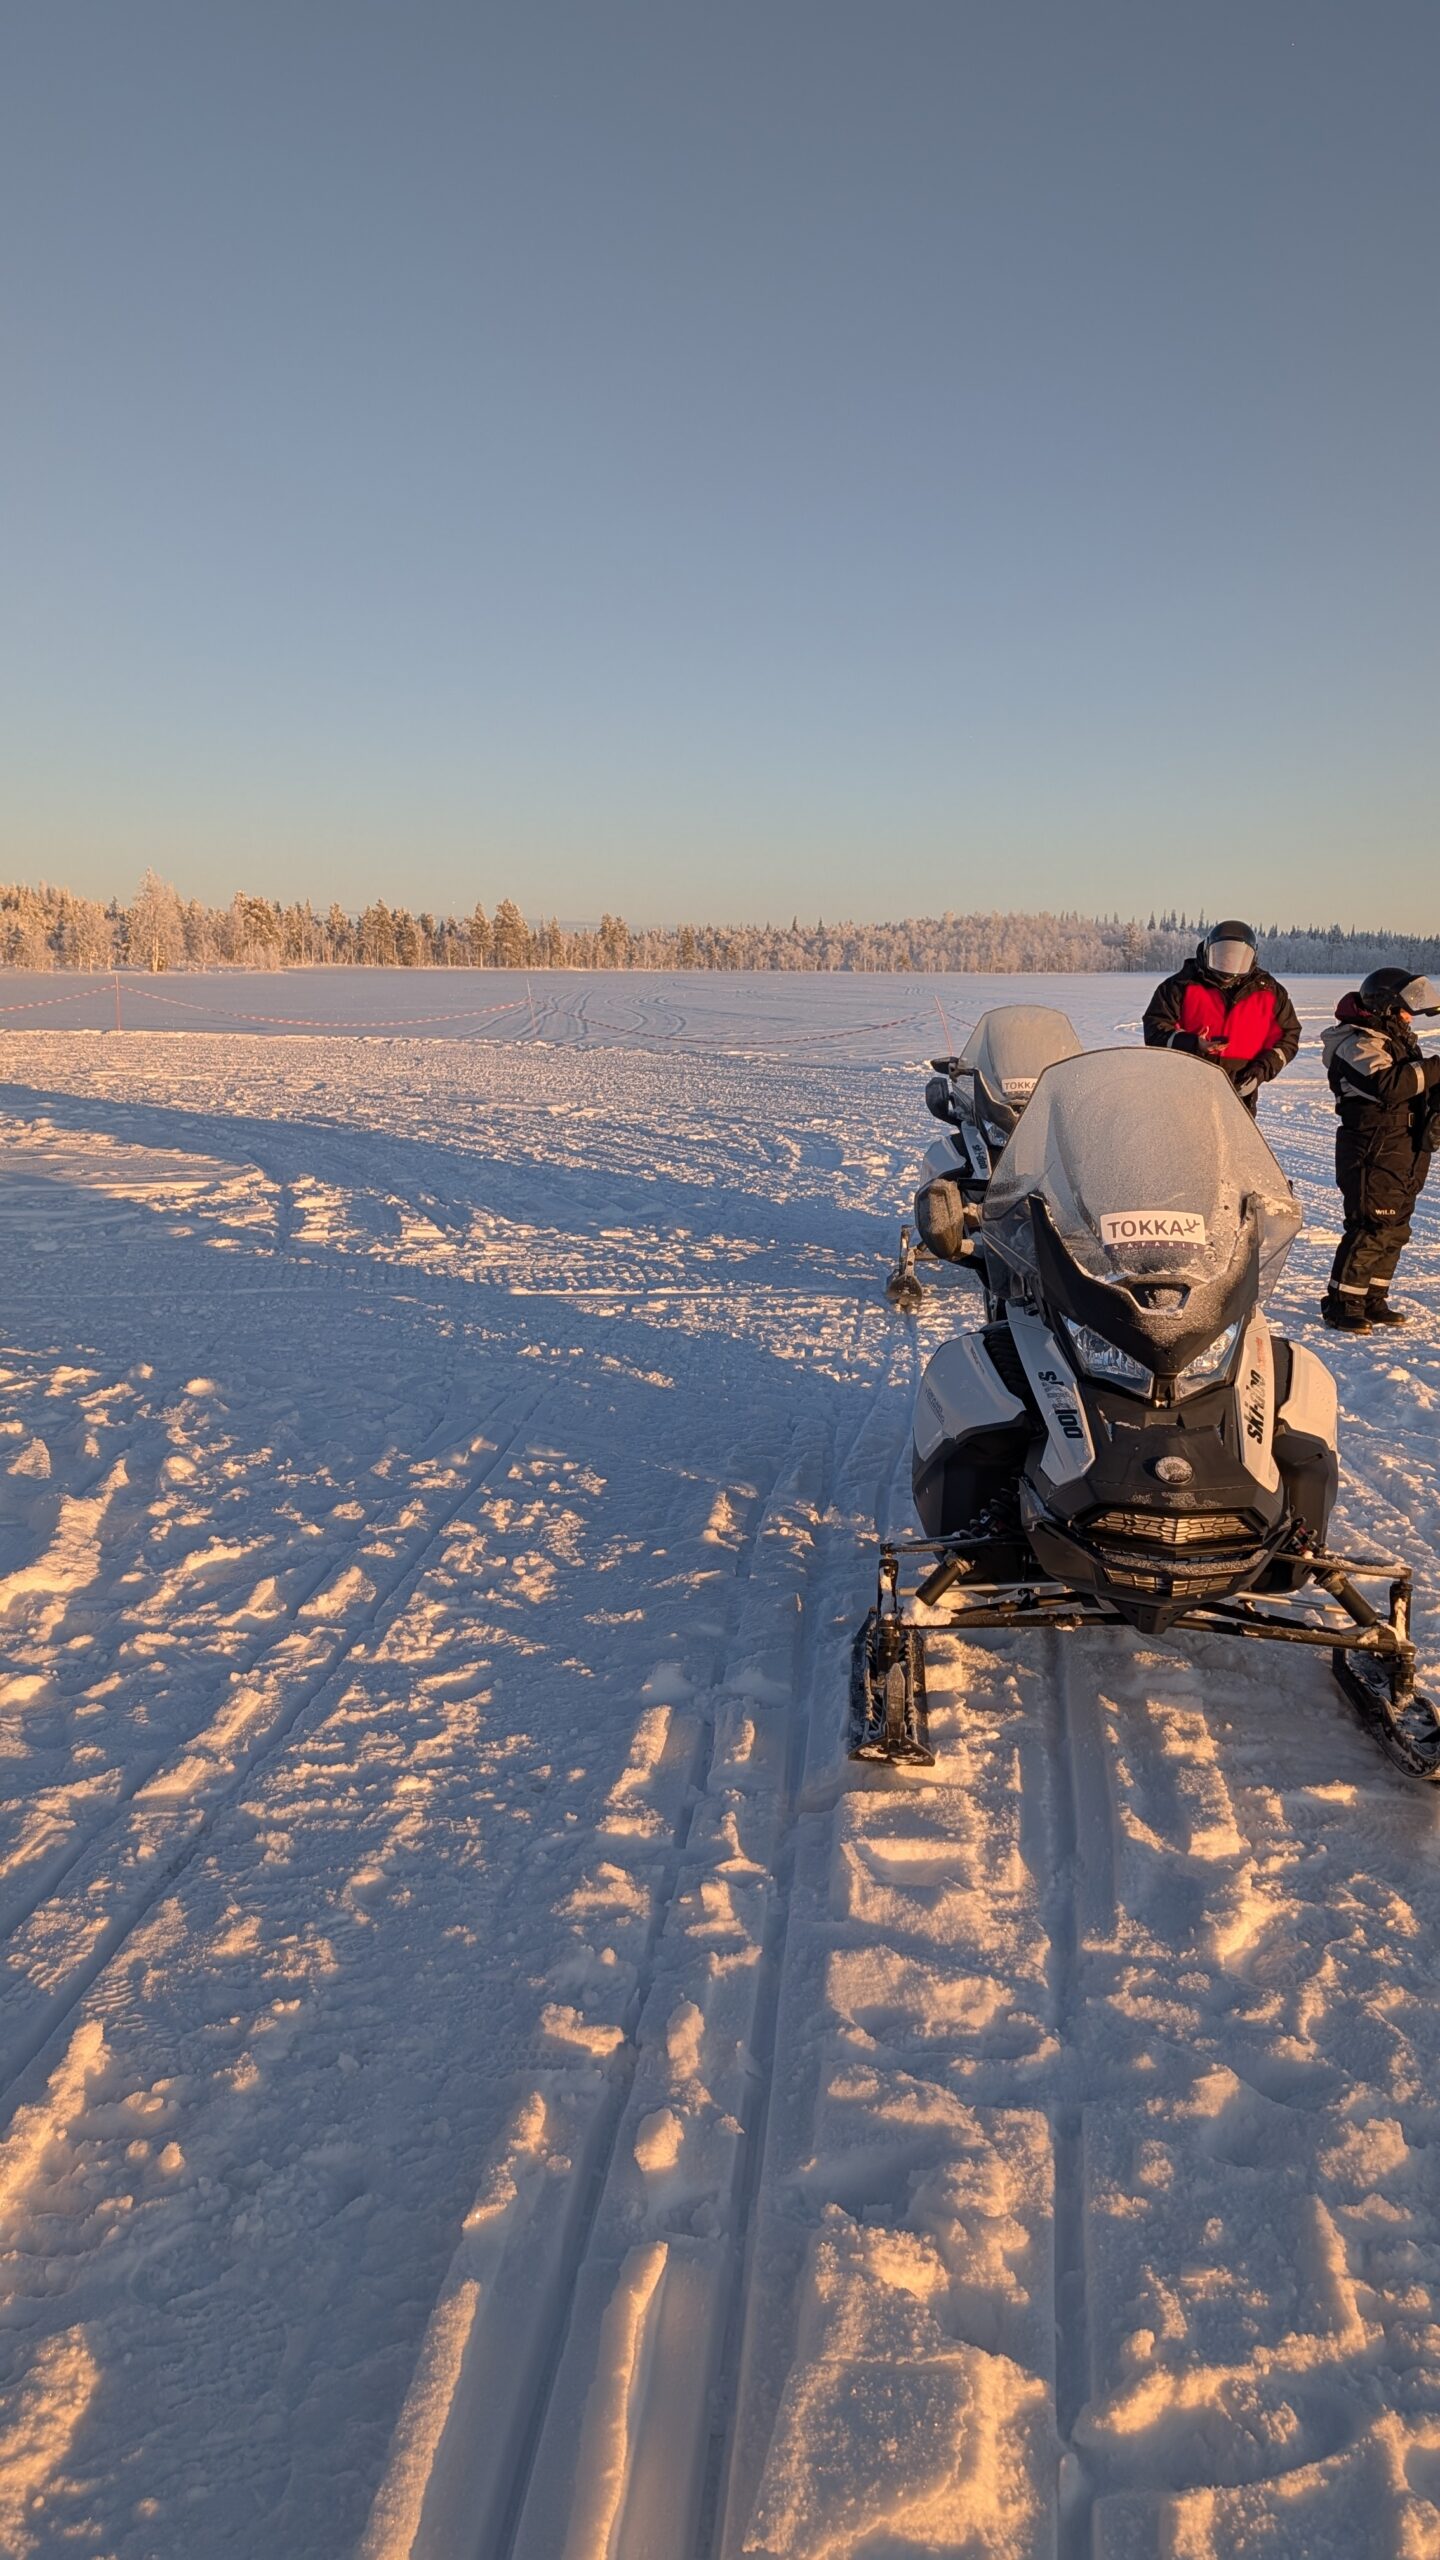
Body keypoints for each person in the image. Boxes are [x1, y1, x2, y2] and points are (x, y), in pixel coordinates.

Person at [1320, 968, 1440, 1330]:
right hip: (1372, 1145)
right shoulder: (1356, 1042)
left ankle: (1372, 1298)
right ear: (1386, 1007)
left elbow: (1419, 1087)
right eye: (1405, 1011)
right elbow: (1389, 1085)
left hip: (1406, 1147)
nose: (1408, 1018)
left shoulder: (1396, 1040)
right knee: (1373, 1223)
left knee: (1396, 1227)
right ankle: (1342, 1303)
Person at [1142, 922, 1301, 1114]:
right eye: (1222, 956)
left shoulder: (1269, 991)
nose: (1228, 963)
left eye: (1236, 958)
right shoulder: (1180, 986)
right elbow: (1154, 1028)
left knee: (1234, 1144)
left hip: (1240, 1089)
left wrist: (1261, 1070)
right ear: (1209, 952)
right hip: (1185, 1088)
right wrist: (1193, 1043)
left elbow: (1288, 1038)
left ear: (1251, 958)